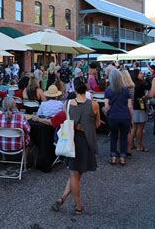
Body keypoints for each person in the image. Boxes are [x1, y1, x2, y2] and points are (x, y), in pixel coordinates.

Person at [51, 80, 100, 215]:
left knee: (74, 174)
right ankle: (78, 206)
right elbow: (96, 125)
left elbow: (67, 121)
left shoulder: (67, 104)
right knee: (77, 175)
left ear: (75, 90)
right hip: (86, 140)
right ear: (86, 90)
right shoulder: (94, 105)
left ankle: (63, 198)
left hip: (72, 140)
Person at [0, 97, 31, 168]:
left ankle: (4, 158)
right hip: (18, 146)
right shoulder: (20, 118)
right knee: (27, 138)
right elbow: (28, 130)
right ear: (14, 105)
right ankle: (25, 161)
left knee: (0, 136)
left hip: (1, 146)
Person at [104, 69, 132, 166]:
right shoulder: (126, 90)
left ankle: (114, 157)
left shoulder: (108, 90)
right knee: (123, 137)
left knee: (113, 137)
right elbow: (129, 106)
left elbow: (106, 107)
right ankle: (123, 158)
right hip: (125, 116)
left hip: (113, 116)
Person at [130, 70, 150, 152]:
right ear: (136, 75)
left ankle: (130, 144)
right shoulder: (141, 84)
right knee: (140, 127)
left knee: (134, 127)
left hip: (133, 106)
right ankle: (139, 146)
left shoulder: (131, 84)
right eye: (141, 73)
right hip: (140, 104)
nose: (143, 74)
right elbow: (149, 86)